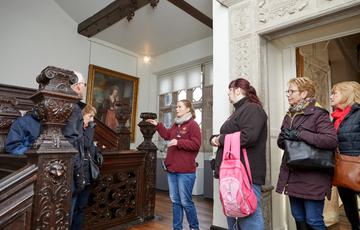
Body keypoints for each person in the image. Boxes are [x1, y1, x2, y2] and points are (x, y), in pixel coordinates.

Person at [276, 77, 338, 230]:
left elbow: (331, 140)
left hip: (313, 176)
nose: (288, 94)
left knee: (313, 221)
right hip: (293, 173)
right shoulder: (289, 114)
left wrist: (300, 134)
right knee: (298, 217)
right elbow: (282, 143)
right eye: (287, 91)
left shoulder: (318, 113)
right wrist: (284, 139)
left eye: (292, 91)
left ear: (304, 94)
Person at [210, 78, 268, 230]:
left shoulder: (253, 109)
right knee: (235, 215)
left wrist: (220, 139)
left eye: (229, 91)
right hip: (234, 173)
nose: (228, 95)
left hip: (245, 174)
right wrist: (215, 139)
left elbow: (248, 137)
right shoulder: (240, 110)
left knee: (249, 218)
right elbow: (235, 134)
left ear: (237, 90)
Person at [147, 99, 201, 230]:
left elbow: (196, 144)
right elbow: (167, 135)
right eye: (176, 106)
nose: (176, 109)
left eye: (179, 106)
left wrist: (178, 142)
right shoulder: (176, 124)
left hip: (185, 172)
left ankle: (194, 227)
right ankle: (177, 228)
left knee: (186, 202)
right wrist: (157, 125)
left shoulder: (193, 125)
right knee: (175, 201)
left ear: (188, 109)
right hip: (172, 170)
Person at [330, 81, 360, 230]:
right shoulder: (335, 117)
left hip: (358, 166)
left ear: (347, 94)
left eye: (335, 93)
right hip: (342, 168)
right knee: (349, 206)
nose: (331, 96)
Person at [62, 71, 87, 228]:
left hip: (61, 168)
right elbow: (73, 142)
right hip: (70, 170)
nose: (84, 88)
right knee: (67, 215)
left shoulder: (62, 105)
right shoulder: (74, 108)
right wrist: (79, 175)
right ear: (77, 87)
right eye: (84, 85)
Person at [71, 104, 103, 230]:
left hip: (87, 174)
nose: (92, 120)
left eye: (93, 117)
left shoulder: (88, 129)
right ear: (82, 115)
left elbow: (91, 147)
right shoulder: (76, 129)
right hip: (77, 174)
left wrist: (98, 153)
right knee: (72, 207)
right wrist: (90, 127)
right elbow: (86, 143)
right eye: (90, 116)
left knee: (82, 207)